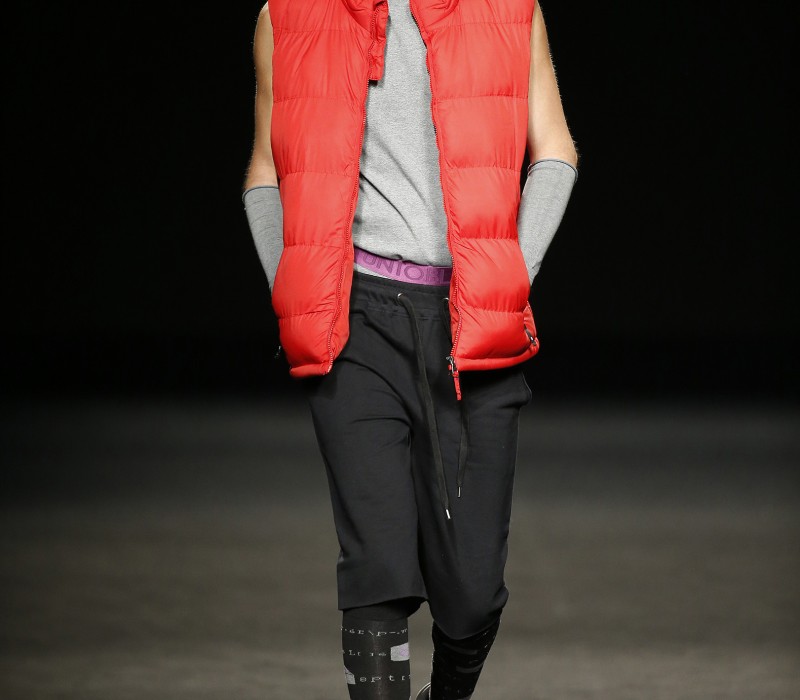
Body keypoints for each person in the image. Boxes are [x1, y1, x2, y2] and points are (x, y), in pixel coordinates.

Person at [242, 1, 578, 698]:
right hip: (354, 318)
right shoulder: (289, 16)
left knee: (472, 593)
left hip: (470, 321)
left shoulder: (509, 10)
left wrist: (509, 278)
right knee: (378, 561)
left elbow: (554, 149)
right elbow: (265, 168)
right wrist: (295, 287)